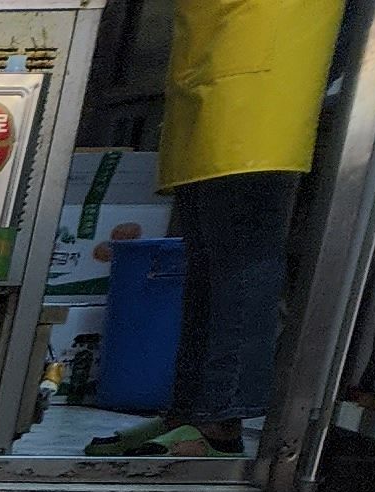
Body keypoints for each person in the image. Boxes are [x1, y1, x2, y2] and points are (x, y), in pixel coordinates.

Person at [91, 0, 349, 454]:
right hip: (211, 70)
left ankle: (219, 422)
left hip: (263, 83)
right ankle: (188, 412)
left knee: (239, 262)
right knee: (205, 262)